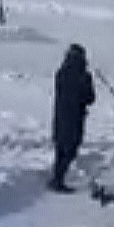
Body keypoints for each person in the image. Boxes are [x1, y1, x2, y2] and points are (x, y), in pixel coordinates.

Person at [49, 44, 95, 192]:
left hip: (60, 116)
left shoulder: (61, 73)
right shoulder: (84, 76)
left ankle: (57, 179)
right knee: (71, 150)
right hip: (75, 119)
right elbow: (90, 98)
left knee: (60, 149)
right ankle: (58, 181)